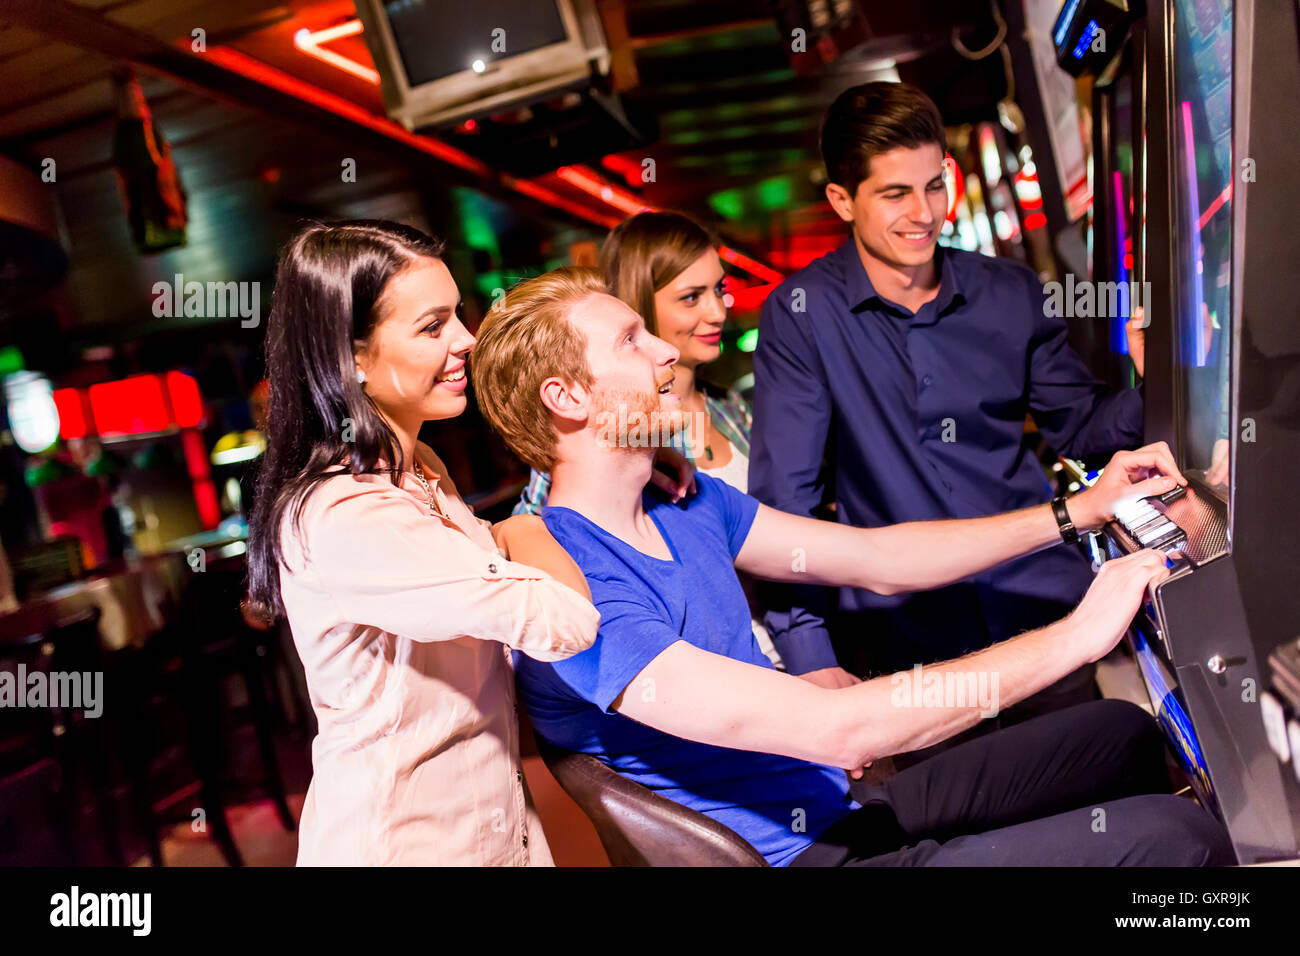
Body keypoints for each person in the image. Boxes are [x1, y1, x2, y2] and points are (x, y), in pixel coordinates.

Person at [468, 266, 1233, 867]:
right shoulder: (573, 593)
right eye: (632, 342)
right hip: (809, 858)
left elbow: (881, 558)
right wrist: (1078, 634)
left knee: (1118, 733)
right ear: (566, 397)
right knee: (1177, 839)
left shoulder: (685, 505)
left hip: (841, 808)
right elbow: (841, 729)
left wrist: (1079, 510)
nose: (666, 351)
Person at [245, 220, 671, 865]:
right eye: (432, 326)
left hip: (492, 823)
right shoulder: (345, 514)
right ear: (351, 358)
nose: (467, 340)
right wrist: (528, 527)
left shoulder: (423, 469)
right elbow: (564, 620)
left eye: (458, 317)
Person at [749, 82, 1147, 752]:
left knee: (1108, 799)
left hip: (1041, 617)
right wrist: (810, 655)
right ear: (842, 201)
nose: (925, 212)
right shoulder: (802, 316)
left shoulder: (1011, 292)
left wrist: (1151, 373)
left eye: (935, 186)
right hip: (908, 649)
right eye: (895, 194)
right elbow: (787, 506)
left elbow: (1081, 429)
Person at [514, 210, 785, 669]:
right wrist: (512, 530)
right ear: (642, 303)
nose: (717, 311)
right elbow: (541, 536)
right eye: (691, 297)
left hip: (775, 647)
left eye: (718, 290)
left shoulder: (732, 408)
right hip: (692, 672)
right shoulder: (603, 441)